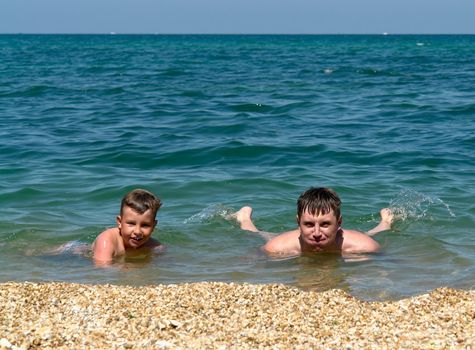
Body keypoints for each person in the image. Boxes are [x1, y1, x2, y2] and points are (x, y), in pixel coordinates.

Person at [234, 187, 394, 257]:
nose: (317, 233)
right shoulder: (277, 248)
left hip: (346, 239)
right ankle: (244, 217)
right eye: (309, 224)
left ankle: (385, 221)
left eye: (325, 224)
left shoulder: (365, 246)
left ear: (339, 223)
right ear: (298, 223)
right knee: (258, 234)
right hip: (289, 240)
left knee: (373, 233)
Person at [92, 188, 163, 265]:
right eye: (131, 223)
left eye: (145, 225)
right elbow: (102, 270)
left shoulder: (154, 246)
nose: (137, 231)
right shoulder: (106, 242)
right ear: (119, 222)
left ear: (153, 226)